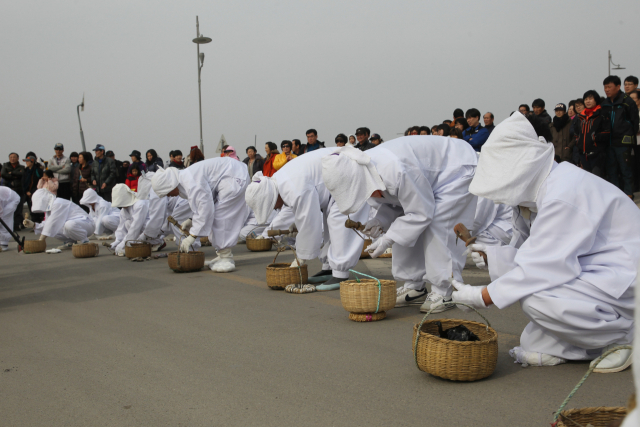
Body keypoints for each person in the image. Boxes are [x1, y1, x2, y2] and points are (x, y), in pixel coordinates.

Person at [455, 111, 638, 372]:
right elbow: (533, 253)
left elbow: (542, 268)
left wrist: (481, 296)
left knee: (536, 299)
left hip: (623, 276)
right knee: (534, 341)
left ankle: (624, 337)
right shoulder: (539, 194)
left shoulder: (562, 193)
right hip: (597, 271)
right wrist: (493, 256)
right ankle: (594, 342)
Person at [321, 138, 478, 313]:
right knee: (402, 227)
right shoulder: (364, 170)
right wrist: (380, 221)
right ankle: (414, 286)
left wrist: (388, 239)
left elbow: (420, 213)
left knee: (440, 226)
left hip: (455, 170)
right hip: (431, 175)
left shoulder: (395, 170)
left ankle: (444, 290)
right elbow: (396, 205)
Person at [246, 148, 371, 290]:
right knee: (330, 225)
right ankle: (329, 268)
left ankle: (341, 273)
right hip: (339, 181)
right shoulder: (281, 182)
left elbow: (309, 222)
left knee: (338, 222)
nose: (275, 208)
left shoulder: (292, 187)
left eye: (272, 205)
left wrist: (300, 257)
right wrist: (296, 224)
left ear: (272, 198)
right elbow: (302, 211)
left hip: (349, 177)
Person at [150, 158, 250, 272]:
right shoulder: (186, 179)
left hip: (234, 178)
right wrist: (191, 219)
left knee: (221, 217)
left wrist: (192, 236)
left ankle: (226, 257)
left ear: (170, 186)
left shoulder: (190, 181)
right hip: (232, 174)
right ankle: (223, 255)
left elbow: (205, 208)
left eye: (167, 193)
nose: (169, 196)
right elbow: (203, 203)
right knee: (217, 215)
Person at [601, 75, 640, 198]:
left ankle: (628, 194)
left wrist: (629, 135)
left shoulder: (627, 101)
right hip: (609, 143)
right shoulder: (604, 104)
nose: (606, 90)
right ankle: (615, 195)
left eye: (609, 87)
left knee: (625, 170)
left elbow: (634, 121)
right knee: (611, 170)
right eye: (605, 87)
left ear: (618, 87)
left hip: (623, 142)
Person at [24, 188, 95, 250]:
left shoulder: (58, 203)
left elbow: (51, 223)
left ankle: (85, 241)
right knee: (55, 229)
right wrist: (34, 225)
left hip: (87, 224)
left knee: (68, 225)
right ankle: (70, 242)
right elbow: (48, 223)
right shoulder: (50, 208)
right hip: (77, 225)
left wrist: (41, 240)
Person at [573, 91, 608, 177]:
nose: (588, 101)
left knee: (597, 177)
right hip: (583, 153)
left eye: (590, 99)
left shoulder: (602, 114)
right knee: (587, 178)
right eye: (586, 99)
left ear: (596, 100)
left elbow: (606, 132)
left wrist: (594, 138)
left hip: (597, 153)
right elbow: (576, 133)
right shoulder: (580, 117)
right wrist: (578, 141)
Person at [109, 184, 150, 257]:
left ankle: (156, 242)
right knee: (127, 223)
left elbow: (136, 226)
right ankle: (135, 243)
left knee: (141, 225)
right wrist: (118, 241)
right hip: (140, 231)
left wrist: (125, 243)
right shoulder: (124, 210)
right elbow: (121, 227)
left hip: (152, 229)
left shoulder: (140, 204)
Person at [1, 152, 25, 230]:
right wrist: (15, 176)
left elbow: (22, 174)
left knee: (18, 208)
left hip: (19, 190)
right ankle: (7, 225)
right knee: (7, 209)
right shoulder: (5, 165)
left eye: (14, 157)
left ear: (18, 158)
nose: (12, 158)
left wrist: (11, 173)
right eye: (11, 157)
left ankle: (16, 225)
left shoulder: (21, 167)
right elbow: (3, 174)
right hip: (8, 190)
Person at [22, 155, 44, 222]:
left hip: (37, 192)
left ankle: (40, 223)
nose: (26, 163)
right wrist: (26, 191)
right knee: (31, 208)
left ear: (32, 162)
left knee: (38, 208)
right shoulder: (25, 171)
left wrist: (33, 191)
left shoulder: (38, 170)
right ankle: (34, 224)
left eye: (28, 161)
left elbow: (41, 181)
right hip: (27, 193)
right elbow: (23, 182)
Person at [0, 187, 21, 251]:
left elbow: (0, 210)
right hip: (5, 201)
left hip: (13, 200)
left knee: (5, 219)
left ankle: (4, 244)